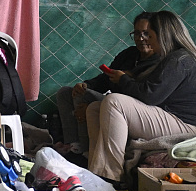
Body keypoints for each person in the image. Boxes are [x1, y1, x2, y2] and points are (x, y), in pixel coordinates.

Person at [86, 10, 196, 183]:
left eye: (150, 36)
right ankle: (95, 172)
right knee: (95, 108)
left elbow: (149, 96)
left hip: (188, 127)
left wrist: (123, 79)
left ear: (163, 36)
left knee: (114, 101)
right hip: (171, 119)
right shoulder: (173, 57)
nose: (148, 42)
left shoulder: (180, 59)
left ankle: (111, 177)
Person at [55, 12, 161, 153]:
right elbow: (106, 78)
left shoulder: (160, 61)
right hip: (111, 100)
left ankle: (84, 150)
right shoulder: (129, 54)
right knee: (67, 93)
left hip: (130, 108)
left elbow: (144, 96)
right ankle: (72, 144)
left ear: (156, 35)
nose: (141, 38)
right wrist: (87, 85)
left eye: (146, 34)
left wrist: (124, 80)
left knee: (84, 99)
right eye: (136, 33)